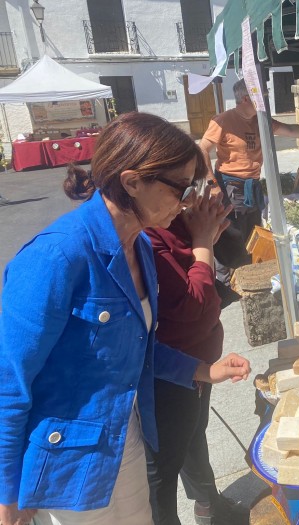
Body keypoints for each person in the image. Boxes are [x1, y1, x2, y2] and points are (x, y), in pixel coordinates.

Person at [0, 112, 252, 525]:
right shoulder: (56, 257)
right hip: (68, 465)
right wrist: (7, 494)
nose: (189, 198)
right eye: (180, 187)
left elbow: (142, 348)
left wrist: (205, 371)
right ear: (133, 181)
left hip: (125, 439)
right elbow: (9, 382)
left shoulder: (140, 248)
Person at [144, 182, 247, 525]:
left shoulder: (172, 219)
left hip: (199, 362)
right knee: (164, 464)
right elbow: (194, 303)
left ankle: (206, 504)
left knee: (194, 432)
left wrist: (205, 237)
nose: (196, 198)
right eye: (185, 187)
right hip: (170, 368)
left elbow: (196, 269)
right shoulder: (145, 235)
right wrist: (202, 241)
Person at [199, 79, 299, 296]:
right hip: (230, 186)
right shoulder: (223, 120)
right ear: (247, 98)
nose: (266, 97)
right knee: (230, 235)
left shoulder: (261, 119)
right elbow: (202, 150)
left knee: (251, 235)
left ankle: (247, 283)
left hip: (252, 185)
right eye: (262, 94)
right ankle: (224, 284)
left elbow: (290, 129)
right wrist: (213, 184)